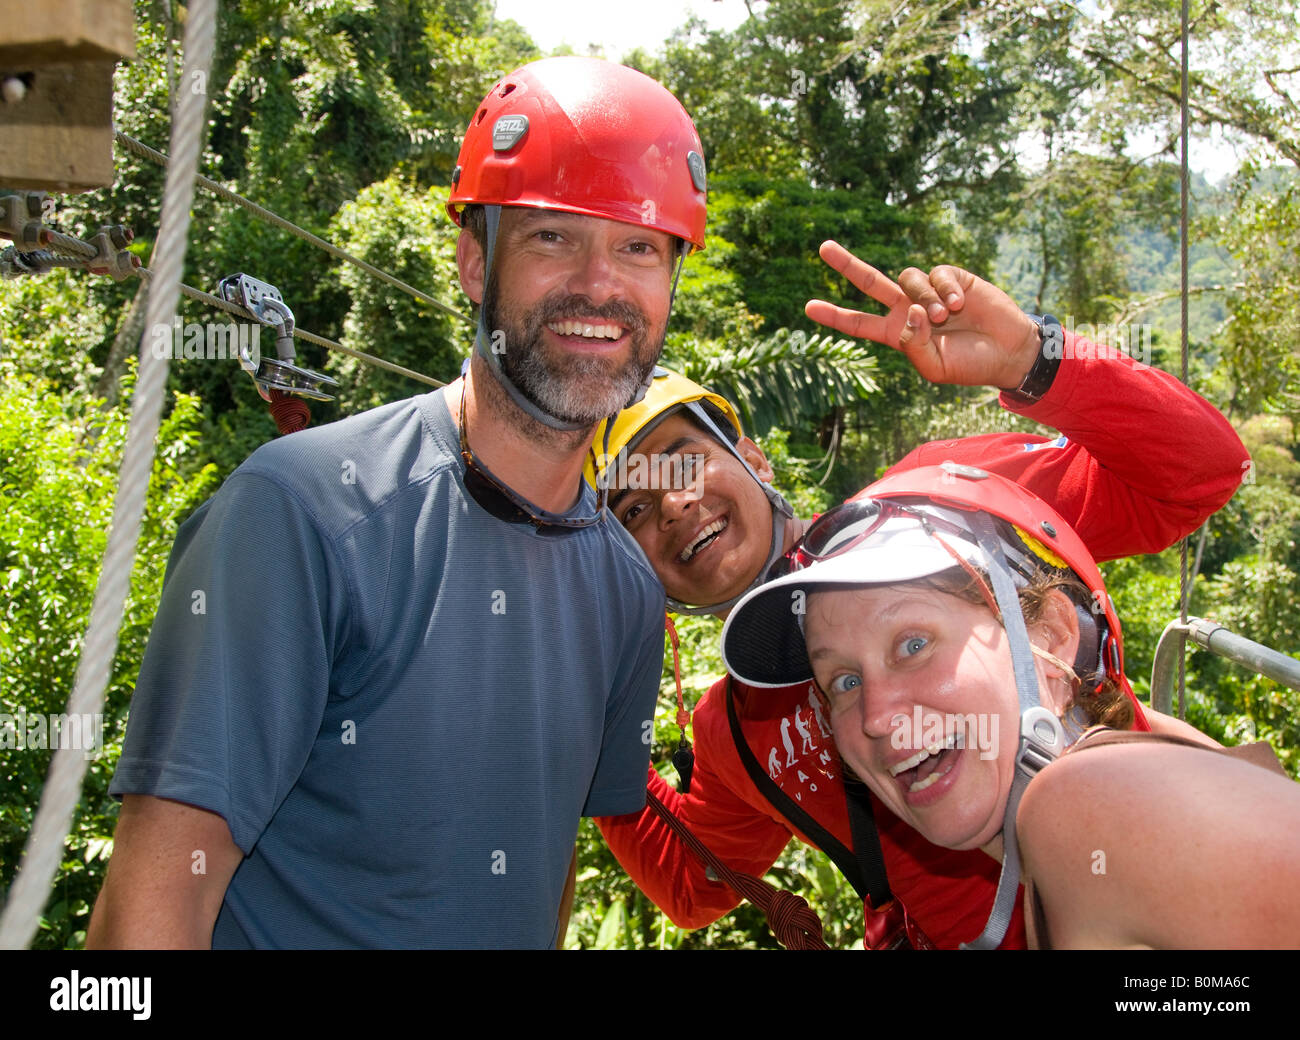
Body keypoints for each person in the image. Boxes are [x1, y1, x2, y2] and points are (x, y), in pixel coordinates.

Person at [86, 56, 708, 949]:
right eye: (551, 237)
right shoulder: (301, 516)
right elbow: (150, 911)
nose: (600, 284)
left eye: (638, 246)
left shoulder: (625, 590)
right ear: (471, 261)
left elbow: (543, 876)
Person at [593, 245, 1250, 947]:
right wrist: (585, 701)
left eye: (686, 461)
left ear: (753, 458)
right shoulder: (734, 731)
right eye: (632, 510)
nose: (672, 505)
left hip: (1173, 901)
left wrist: (1033, 359)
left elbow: (1198, 475)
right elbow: (694, 887)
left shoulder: (936, 508)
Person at [720, 466, 1299, 948]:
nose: (875, 716)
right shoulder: (1112, 789)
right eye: (843, 681)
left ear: (1048, 635)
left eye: (913, 645)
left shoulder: (1079, 804)